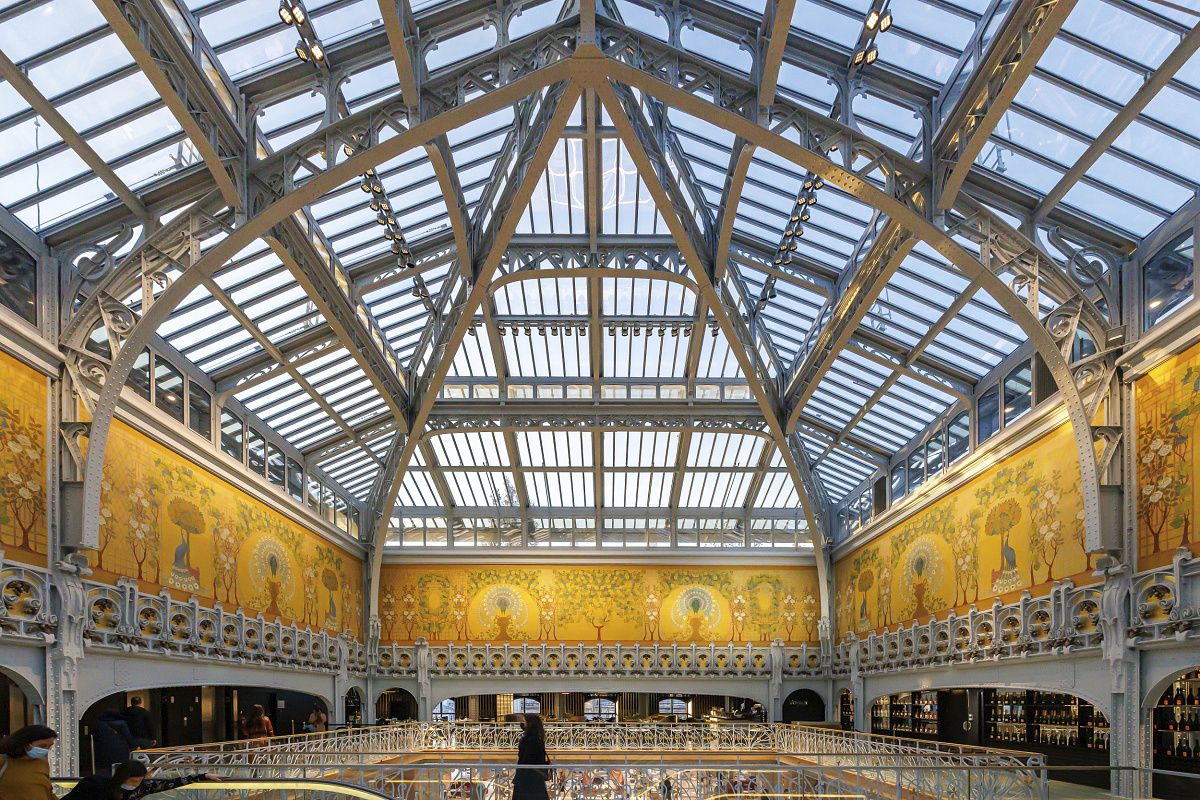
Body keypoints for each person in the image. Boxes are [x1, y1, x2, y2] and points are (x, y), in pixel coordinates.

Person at [62, 760, 221, 800]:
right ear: (121, 778)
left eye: (139, 781)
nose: (136, 786)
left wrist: (203, 776)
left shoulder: (143, 787)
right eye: (133, 782)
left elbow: (171, 783)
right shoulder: (96, 785)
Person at [0, 724, 57, 800]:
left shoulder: (42, 764)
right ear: (26, 744)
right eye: (43, 746)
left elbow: (47, 792)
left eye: (49, 746)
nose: (46, 751)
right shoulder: (3, 761)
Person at [513, 713, 552, 800]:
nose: (522, 724)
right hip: (536, 778)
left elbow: (526, 758)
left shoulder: (529, 739)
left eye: (524, 722)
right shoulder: (538, 737)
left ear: (530, 724)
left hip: (527, 779)